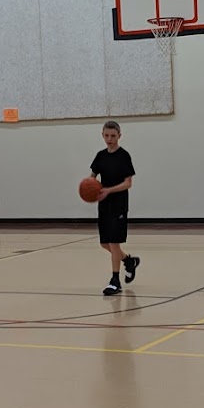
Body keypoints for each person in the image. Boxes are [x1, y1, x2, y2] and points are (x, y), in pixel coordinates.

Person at [89, 120, 138, 296]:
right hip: (104, 204)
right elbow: (92, 178)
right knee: (104, 243)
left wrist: (108, 190)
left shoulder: (124, 156)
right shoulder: (100, 156)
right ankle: (129, 261)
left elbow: (128, 183)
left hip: (119, 204)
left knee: (113, 242)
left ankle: (115, 280)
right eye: (106, 136)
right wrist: (89, 187)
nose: (110, 139)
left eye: (113, 136)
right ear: (102, 135)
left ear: (119, 136)